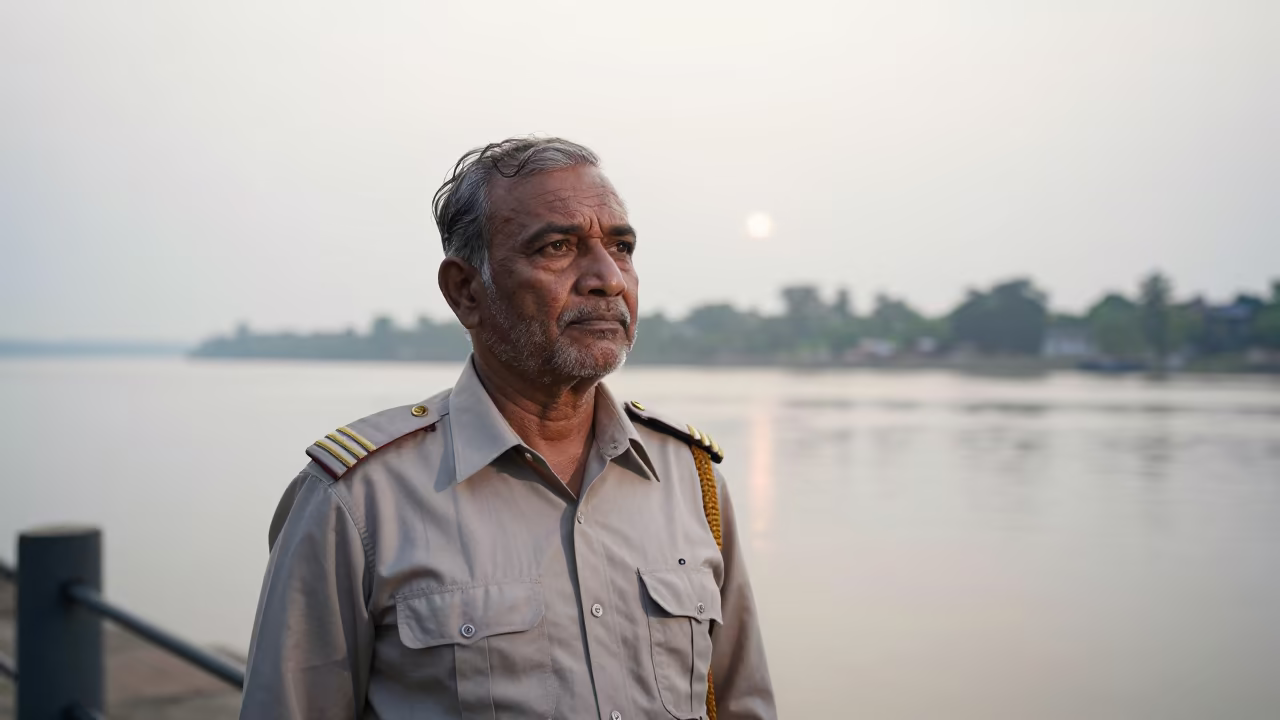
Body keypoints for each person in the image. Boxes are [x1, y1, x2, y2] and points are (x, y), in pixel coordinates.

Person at [239, 136, 776, 720]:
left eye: (621, 248)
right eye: (557, 247)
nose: (607, 278)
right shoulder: (357, 501)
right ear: (465, 291)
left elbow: (743, 704)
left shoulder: (690, 480)